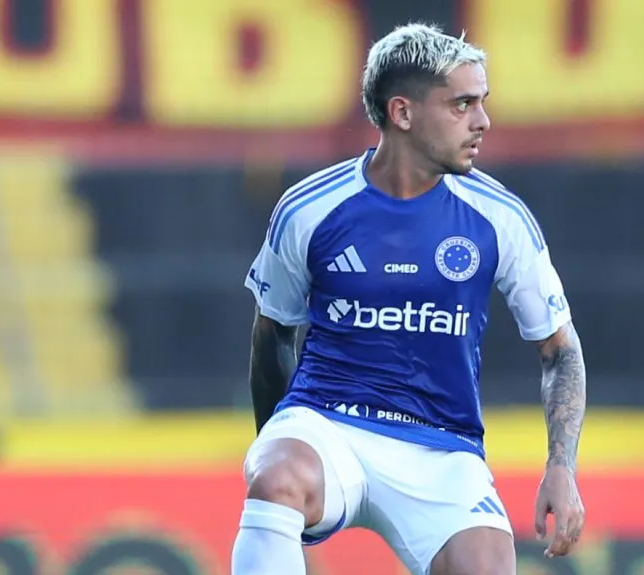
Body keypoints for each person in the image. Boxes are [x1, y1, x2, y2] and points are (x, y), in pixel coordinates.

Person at [233, 22, 587, 575]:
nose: (482, 121)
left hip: (441, 448)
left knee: (487, 566)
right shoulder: (309, 209)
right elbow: (272, 333)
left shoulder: (499, 217)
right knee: (277, 474)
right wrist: (277, 451)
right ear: (402, 113)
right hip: (329, 423)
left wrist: (561, 466)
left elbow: (560, 351)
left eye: (482, 102)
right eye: (462, 104)